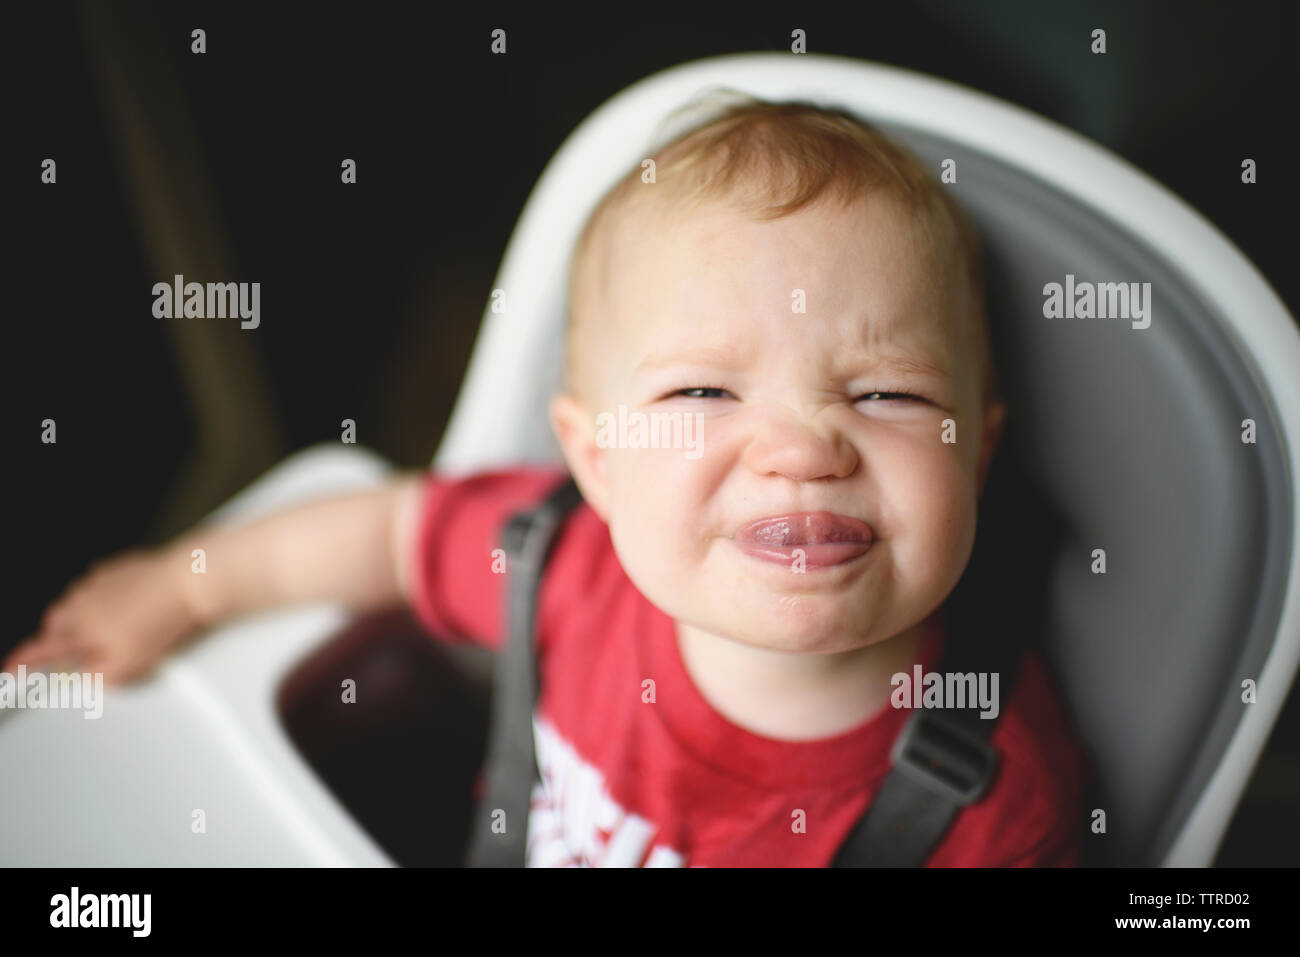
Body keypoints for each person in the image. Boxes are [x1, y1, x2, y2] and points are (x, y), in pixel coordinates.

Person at [4, 95, 1087, 867]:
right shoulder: (556, 564)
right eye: (702, 394)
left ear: (976, 452)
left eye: (889, 395)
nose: (803, 450)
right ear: (595, 460)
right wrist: (188, 588)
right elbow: (390, 534)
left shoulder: (993, 808)